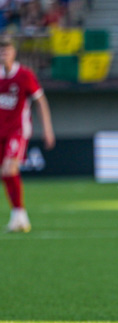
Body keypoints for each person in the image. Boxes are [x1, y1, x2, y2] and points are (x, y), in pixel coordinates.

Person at [0, 34, 55, 232]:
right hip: (1, 131)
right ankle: (19, 216)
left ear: (13, 53)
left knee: (9, 169)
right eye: (1, 51)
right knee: (5, 173)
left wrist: (47, 128)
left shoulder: (24, 75)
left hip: (18, 130)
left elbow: (40, 100)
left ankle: (19, 215)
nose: (4, 54)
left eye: (7, 50)